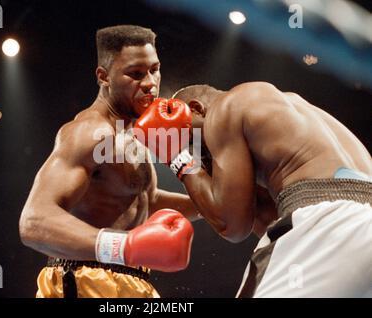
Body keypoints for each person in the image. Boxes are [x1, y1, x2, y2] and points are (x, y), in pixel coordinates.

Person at [134, 82, 372, 297]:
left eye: (192, 145)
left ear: (196, 108)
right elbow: (266, 222)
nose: (201, 158)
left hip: (326, 225)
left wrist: (175, 153)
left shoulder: (225, 108)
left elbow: (232, 226)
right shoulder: (291, 113)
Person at [18, 25, 199, 298]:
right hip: (84, 277)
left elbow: (142, 199)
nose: (150, 82)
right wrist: (125, 246)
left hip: (132, 279)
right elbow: (34, 221)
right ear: (104, 76)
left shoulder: (135, 134)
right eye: (136, 74)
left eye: (155, 69)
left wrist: (212, 204)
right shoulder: (89, 132)